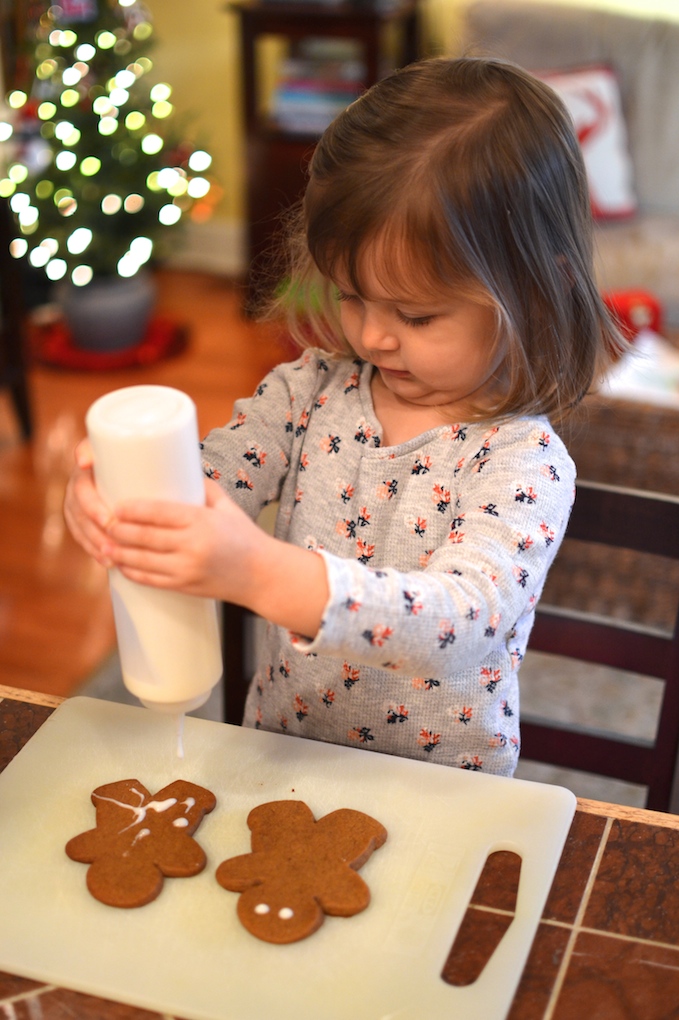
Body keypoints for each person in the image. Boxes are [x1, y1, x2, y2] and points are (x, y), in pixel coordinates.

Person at [64, 57, 624, 776]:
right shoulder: (307, 392)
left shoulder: (523, 463)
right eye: (353, 296)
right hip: (282, 758)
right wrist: (120, 504)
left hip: (443, 797)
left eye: (417, 314)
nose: (372, 337)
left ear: (536, 295)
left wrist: (261, 571)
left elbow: (461, 620)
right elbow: (206, 485)